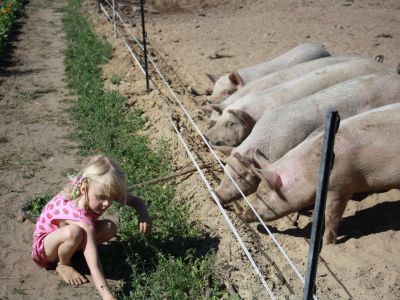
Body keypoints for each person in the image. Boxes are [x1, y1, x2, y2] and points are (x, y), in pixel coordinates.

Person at [31, 155, 152, 300]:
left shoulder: (95, 187)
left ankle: (73, 251)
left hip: (67, 240)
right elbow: (94, 265)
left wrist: (144, 214)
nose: (107, 203)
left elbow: (135, 200)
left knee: (109, 227)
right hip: (45, 250)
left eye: (111, 197)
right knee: (74, 233)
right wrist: (108, 296)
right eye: (101, 197)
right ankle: (63, 264)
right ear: (84, 189)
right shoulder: (82, 219)